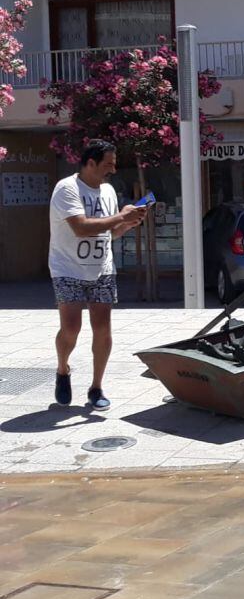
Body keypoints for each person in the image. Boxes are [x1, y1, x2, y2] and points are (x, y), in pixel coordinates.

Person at [49, 140, 145, 410]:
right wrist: (120, 217)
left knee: (102, 329)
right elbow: (80, 227)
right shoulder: (67, 189)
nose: (113, 169)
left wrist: (127, 223)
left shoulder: (108, 191)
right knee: (71, 329)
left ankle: (96, 387)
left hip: (102, 268)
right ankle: (62, 369)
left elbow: (110, 232)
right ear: (90, 163)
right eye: (108, 164)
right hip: (67, 268)